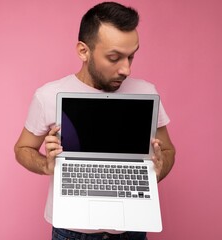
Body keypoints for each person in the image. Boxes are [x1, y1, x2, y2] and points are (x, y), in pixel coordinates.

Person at [14, 2, 176, 240]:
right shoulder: (48, 95)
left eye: (131, 56)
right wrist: (45, 165)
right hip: (71, 234)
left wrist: (159, 170)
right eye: (114, 57)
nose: (126, 69)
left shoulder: (146, 93)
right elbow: (22, 148)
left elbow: (169, 150)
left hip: (130, 233)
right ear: (83, 51)